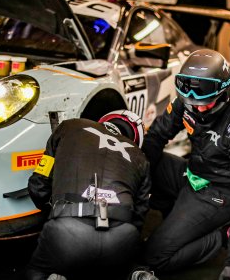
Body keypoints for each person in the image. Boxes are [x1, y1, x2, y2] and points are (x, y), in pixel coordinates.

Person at [140, 50, 230, 280]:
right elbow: (155, 138)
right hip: (191, 173)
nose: (199, 108)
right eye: (192, 102)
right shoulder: (188, 101)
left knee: (152, 257)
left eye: (206, 103)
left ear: (224, 93)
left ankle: (221, 234)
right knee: (140, 162)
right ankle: (171, 213)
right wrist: (137, 187)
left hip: (219, 192)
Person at [26, 111, 151, 280]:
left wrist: (58, 212)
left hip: (67, 229)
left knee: (38, 270)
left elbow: (37, 186)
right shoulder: (140, 157)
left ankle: (53, 275)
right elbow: (139, 217)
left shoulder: (68, 127)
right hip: (122, 236)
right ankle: (137, 273)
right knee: (127, 264)